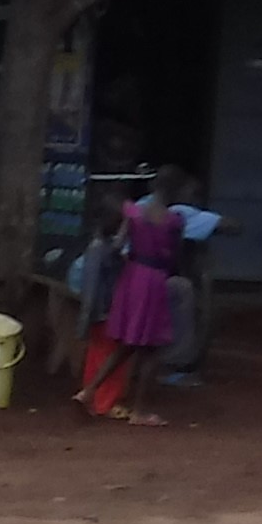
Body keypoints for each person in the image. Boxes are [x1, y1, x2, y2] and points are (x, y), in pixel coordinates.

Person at [77, 166, 193, 423]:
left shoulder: (133, 212)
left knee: (128, 343)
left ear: (153, 187)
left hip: (133, 276)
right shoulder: (174, 220)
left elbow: (118, 246)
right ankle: (139, 410)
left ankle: (89, 390)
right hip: (155, 279)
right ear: (175, 191)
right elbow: (175, 255)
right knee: (150, 348)